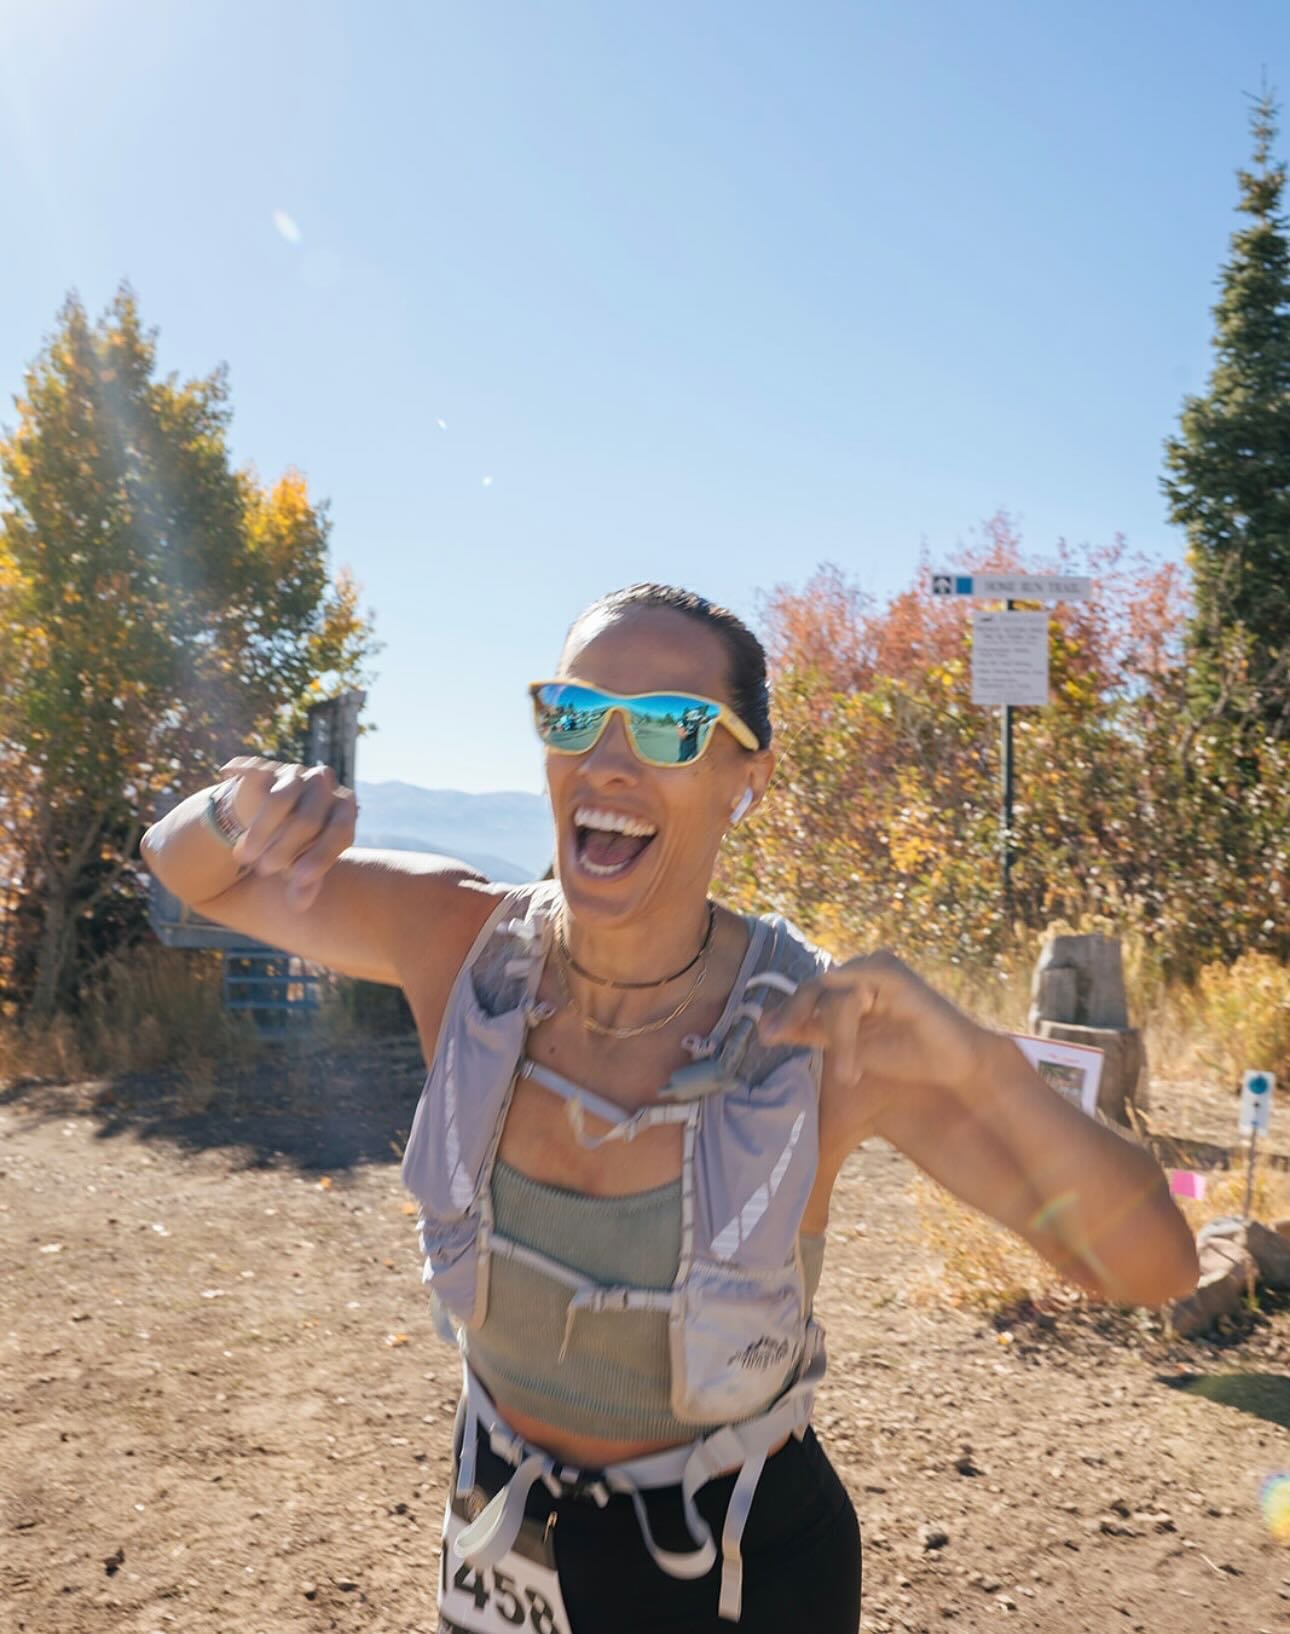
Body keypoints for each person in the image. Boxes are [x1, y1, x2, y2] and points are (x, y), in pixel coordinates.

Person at [141, 583, 1199, 1634]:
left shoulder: (825, 1031)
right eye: (574, 712)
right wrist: (240, 806)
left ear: (750, 776)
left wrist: (985, 1064)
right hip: (507, 1527)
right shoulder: (456, 944)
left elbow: (1154, 1266)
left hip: (744, 1564)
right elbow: (187, 873)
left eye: (670, 725)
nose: (608, 756)